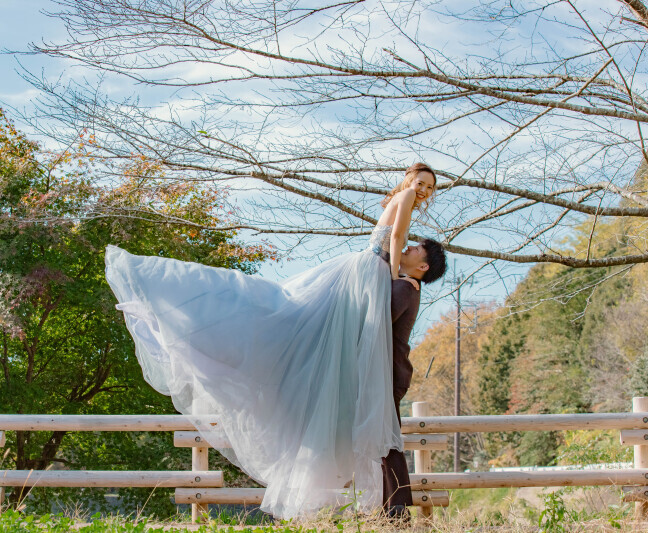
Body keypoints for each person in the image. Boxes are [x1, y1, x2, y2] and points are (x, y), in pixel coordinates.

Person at [104, 163, 441, 519]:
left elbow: (397, 244)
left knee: (300, 317)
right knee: (296, 316)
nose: (422, 189)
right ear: (408, 181)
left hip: (367, 272)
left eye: (429, 187)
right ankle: (167, 310)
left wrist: (394, 277)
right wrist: (391, 275)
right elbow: (396, 238)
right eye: (420, 182)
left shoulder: (407, 272)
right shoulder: (404, 203)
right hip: (370, 270)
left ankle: (394, 513)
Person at [382, 239, 447, 522]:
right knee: (383, 438)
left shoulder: (406, 287)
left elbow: (378, 318)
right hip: (387, 372)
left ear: (423, 266)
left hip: (389, 373)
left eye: (417, 248)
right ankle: (391, 507)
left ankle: (396, 510)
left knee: (387, 440)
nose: (408, 246)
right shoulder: (404, 284)